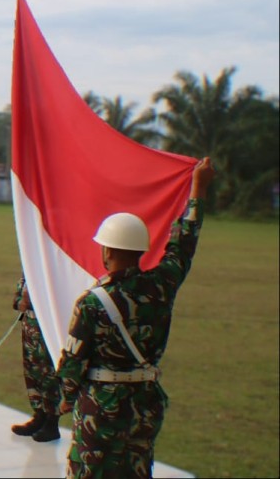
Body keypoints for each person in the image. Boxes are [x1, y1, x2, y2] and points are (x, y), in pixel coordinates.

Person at [56, 158, 215, 479]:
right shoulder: (162, 285)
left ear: (107, 251)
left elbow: (73, 363)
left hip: (101, 409)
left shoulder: (92, 303)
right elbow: (184, 242)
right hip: (144, 405)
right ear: (141, 250)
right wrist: (198, 188)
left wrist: (66, 398)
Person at [10, 276, 63, 442]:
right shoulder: (29, 270)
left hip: (47, 328)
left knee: (49, 374)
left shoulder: (50, 270)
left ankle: (52, 422)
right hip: (30, 327)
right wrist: (21, 302)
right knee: (32, 372)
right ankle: (39, 415)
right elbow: (17, 297)